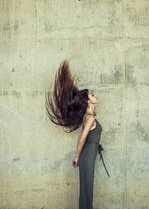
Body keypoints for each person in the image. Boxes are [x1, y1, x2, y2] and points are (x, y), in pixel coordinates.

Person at [45, 59, 109, 209]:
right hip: (87, 155)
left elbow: (82, 140)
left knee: (87, 189)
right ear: (88, 101)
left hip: (89, 154)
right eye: (92, 95)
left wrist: (79, 157)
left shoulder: (87, 117)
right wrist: (77, 157)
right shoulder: (90, 118)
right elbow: (81, 140)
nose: (95, 96)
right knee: (87, 190)